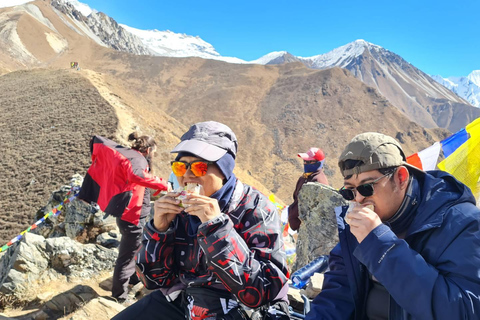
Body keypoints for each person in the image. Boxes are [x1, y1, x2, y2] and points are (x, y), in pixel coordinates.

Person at [113, 121, 290, 320]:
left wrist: (217, 229)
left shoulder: (256, 208)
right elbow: (154, 281)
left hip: (240, 308)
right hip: (186, 298)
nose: (187, 175)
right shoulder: (177, 209)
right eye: (180, 167)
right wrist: (158, 231)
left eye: (199, 167)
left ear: (224, 170)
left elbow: (262, 291)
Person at [306, 132, 480, 320]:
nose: (359, 198)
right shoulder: (359, 225)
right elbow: (336, 298)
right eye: (350, 191)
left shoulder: (461, 223)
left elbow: (464, 311)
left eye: (367, 187)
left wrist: (380, 246)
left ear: (401, 178)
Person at [78, 133, 168, 303]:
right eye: (153, 152)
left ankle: (132, 280)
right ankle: (119, 296)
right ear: (148, 150)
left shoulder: (130, 154)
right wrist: (163, 184)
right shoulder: (139, 160)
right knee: (127, 257)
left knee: (138, 250)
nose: (153, 156)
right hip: (132, 217)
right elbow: (135, 176)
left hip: (130, 215)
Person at [288, 147, 329, 231]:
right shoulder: (303, 178)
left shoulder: (318, 182)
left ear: (318, 163)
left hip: (308, 230)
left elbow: (316, 210)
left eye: (309, 161)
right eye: (304, 161)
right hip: (299, 228)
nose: (305, 163)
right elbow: (296, 199)